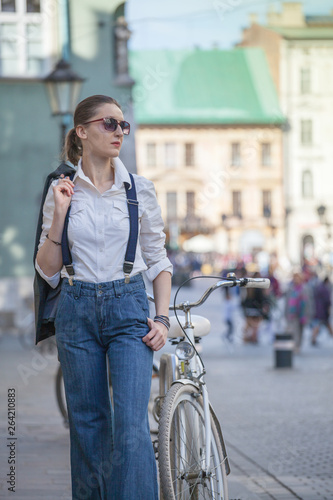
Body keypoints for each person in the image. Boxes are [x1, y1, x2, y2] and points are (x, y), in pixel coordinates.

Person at [35, 95, 172, 500]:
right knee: (88, 424)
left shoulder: (139, 190)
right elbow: (47, 269)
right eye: (108, 124)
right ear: (82, 131)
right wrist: (60, 214)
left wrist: (162, 319)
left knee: (130, 425)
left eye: (122, 125)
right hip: (75, 310)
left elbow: (159, 261)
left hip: (127, 306)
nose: (119, 133)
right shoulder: (60, 189)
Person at [285, 272, 307, 353]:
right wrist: (286, 313)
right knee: (294, 330)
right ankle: (295, 346)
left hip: (302, 313)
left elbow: (309, 302)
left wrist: (309, 314)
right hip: (293, 313)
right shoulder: (291, 289)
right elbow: (287, 302)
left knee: (301, 330)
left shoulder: (305, 289)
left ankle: (298, 345)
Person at [311, 277, 333, 345]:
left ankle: (313, 339)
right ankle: (313, 339)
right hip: (323, 311)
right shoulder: (325, 289)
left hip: (318, 310)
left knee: (319, 324)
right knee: (321, 324)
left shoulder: (318, 288)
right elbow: (327, 301)